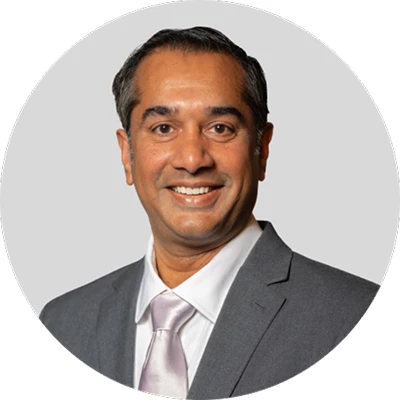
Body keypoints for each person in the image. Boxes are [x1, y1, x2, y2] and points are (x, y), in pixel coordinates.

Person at [40, 27, 379, 399]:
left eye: (220, 128)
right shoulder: (62, 326)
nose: (192, 159)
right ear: (127, 153)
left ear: (262, 149)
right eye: (163, 128)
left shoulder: (362, 319)